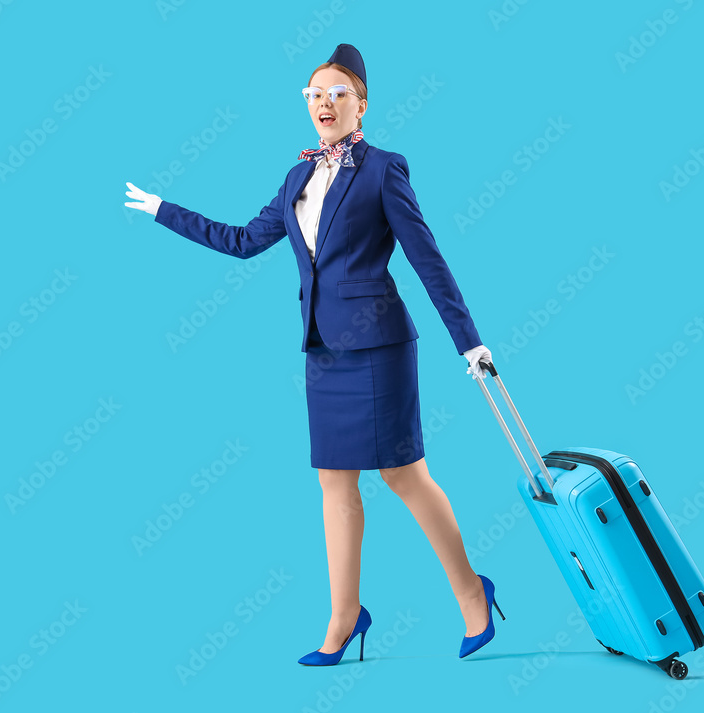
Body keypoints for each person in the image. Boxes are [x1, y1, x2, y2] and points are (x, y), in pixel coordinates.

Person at [124, 43, 504, 665]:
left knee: (404, 476)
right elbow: (243, 241)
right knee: (333, 485)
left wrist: (470, 340)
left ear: (361, 106)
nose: (326, 102)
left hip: (379, 347)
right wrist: (166, 211)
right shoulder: (296, 177)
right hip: (323, 352)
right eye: (316, 94)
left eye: (339, 93)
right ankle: (345, 616)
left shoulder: (384, 169)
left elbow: (426, 257)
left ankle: (472, 593)